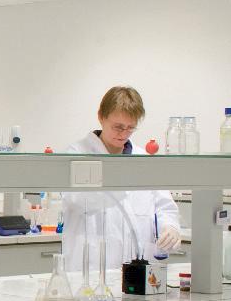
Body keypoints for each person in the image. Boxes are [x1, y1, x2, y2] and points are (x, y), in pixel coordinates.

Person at [62, 86, 182, 273]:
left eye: (130, 128)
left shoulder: (143, 160)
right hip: (90, 268)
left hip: (137, 268)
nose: (124, 134)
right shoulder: (78, 154)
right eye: (118, 127)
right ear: (101, 116)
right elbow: (76, 201)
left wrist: (170, 227)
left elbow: (164, 206)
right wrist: (118, 185)